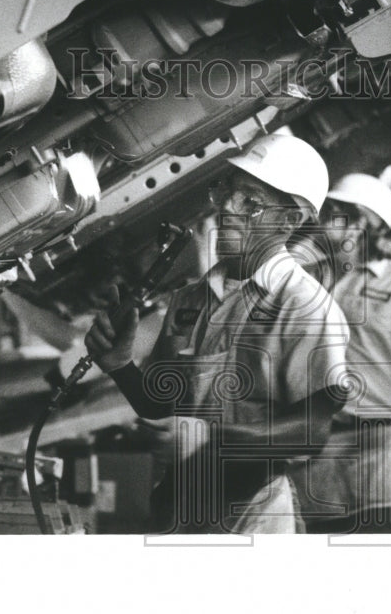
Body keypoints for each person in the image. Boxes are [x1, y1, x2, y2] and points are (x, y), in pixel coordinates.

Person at [84, 133, 349, 533]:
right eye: (227, 190)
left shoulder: (303, 306)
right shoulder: (191, 298)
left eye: (251, 201)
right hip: (180, 507)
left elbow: (313, 430)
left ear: (290, 221)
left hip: (250, 515)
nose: (228, 207)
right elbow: (161, 406)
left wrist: (210, 438)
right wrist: (121, 366)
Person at [290, 173, 391, 533]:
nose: (319, 220)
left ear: (362, 224)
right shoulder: (305, 281)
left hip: (377, 446)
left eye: (333, 211)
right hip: (313, 446)